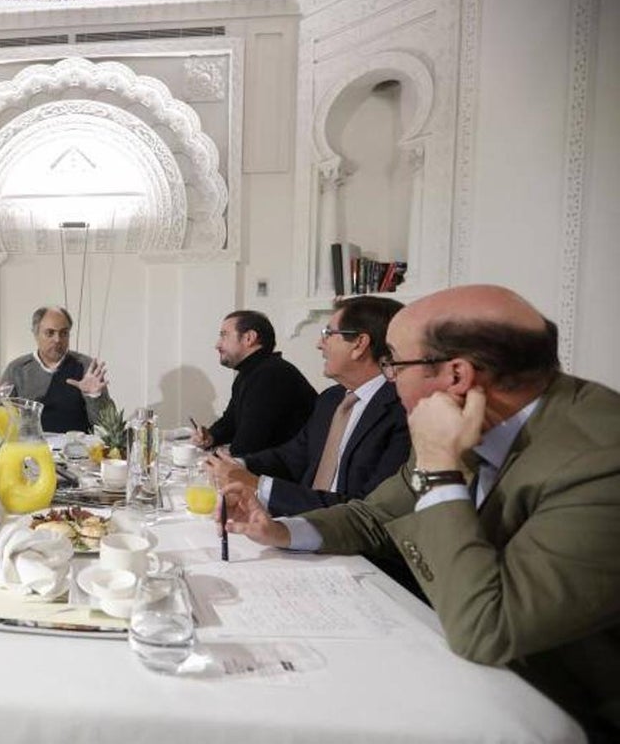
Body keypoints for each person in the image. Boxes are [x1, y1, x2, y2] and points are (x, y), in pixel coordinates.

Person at [219, 285, 620, 739]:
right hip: (458, 656)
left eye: (394, 363)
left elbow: (487, 628)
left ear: (456, 375)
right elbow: (373, 516)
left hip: (559, 709)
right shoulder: (462, 411)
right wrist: (283, 531)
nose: (389, 377)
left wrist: (438, 469)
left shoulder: (600, 459)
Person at [206, 296, 409, 516]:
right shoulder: (331, 399)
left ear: (359, 344)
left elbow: (368, 509)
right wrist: (239, 464)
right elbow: (292, 457)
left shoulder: (404, 410)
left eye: (328, 334)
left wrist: (258, 485)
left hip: (350, 543)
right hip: (299, 522)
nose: (319, 344)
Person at [191, 310, 316, 457]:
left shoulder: (271, 375)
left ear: (249, 338)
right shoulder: (252, 372)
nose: (217, 345)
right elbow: (231, 421)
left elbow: (249, 444)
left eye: (224, 335)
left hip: (286, 475)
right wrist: (211, 437)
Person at [0, 306, 111, 433]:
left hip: (77, 450)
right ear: (36, 334)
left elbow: (106, 426)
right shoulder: (17, 369)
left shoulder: (86, 366)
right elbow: (3, 426)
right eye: (50, 333)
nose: (57, 339)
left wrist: (94, 396)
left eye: (64, 333)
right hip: (30, 448)